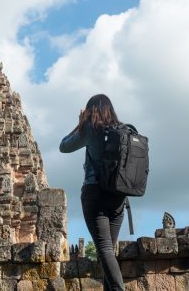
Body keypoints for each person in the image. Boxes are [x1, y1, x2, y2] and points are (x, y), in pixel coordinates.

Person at [59, 94, 125, 291]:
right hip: (119, 198)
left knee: (104, 249)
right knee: (108, 252)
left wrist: (80, 123)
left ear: (90, 111)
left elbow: (64, 146)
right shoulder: (122, 129)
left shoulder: (91, 128)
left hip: (95, 194)